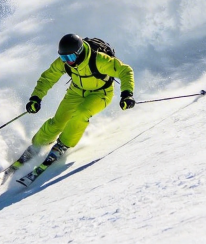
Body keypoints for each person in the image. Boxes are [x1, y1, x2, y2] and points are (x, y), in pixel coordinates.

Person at [8, 33, 135, 185]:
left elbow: (125, 71)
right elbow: (48, 78)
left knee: (81, 113)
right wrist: (36, 98)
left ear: (79, 53)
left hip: (100, 93)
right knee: (57, 123)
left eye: (70, 58)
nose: (67, 62)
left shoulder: (98, 59)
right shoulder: (65, 62)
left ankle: (63, 145)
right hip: (75, 91)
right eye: (63, 58)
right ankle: (38, 144)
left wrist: (127, 94)